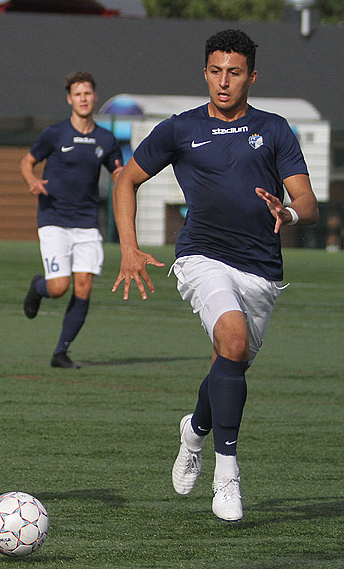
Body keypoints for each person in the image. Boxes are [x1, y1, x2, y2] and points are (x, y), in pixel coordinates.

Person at [111, 29, 318, 522]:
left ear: (251, 76)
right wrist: (130, 249)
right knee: (231, 339)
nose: (224, 82)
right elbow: (127, 180)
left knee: (231, 360)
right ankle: (227, 477)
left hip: (261, 271)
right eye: (216, 71)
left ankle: (194, 432)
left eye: (235, 72)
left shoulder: (274, 129)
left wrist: (286, 214)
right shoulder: (179, 129)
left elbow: (307, 202)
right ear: (205, 71)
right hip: (201, 257)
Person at [20, 71, 123, 369]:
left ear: (95, 97)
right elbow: (28, 161)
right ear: (69, 99)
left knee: (84, 287)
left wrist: (125, 179)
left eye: (88, 93)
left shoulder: (106, 139)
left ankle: (61, 352)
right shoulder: (55, 133)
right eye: (78, 94)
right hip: (53, 218)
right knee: (58, 287)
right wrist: (32, 181)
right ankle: (37, 287)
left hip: (88, 223)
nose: (84, 99)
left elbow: (119, 171)